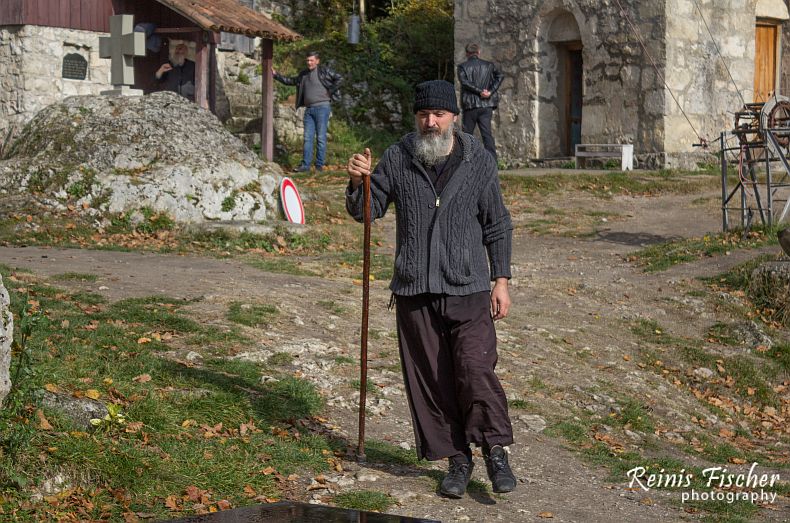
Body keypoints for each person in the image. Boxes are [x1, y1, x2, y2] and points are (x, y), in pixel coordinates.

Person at [346, 80, 516, 499]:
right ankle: (457, 460)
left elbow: (497, 223)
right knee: (433, 382)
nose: (431, 122)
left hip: (468, 286)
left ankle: (494, 450)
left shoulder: (478, 160)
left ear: (454, 117)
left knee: (475, 369)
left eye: (439, 114)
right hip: (415, 290)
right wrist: (358, 183)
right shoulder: (398, 157)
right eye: (424, 115)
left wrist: (501, 280)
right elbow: (368, 211)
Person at [273, 51, 342, 172]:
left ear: (317, 61)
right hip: (309, 110)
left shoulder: (324, 71)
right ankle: (305, 166)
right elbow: (290, 81)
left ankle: (319, 166)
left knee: (320, 138)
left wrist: (330, 91)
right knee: (307, 138)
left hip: (323, 108)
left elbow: (339, 78)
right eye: (308, 60)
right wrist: (276, 75)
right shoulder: (303, 74)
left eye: (311, 60)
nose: (309, 63)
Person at [457, 43, 503, 160]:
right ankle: (493, 162)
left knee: (466, 135)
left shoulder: (462, 67)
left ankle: (465, 161)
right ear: (478, 52)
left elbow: (465, 83)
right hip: (486, 104)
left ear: (467, 53)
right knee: (487, 134)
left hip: (470, 105)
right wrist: (490, 91)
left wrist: (479, 91)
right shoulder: (489, 65)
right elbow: (500, 76)